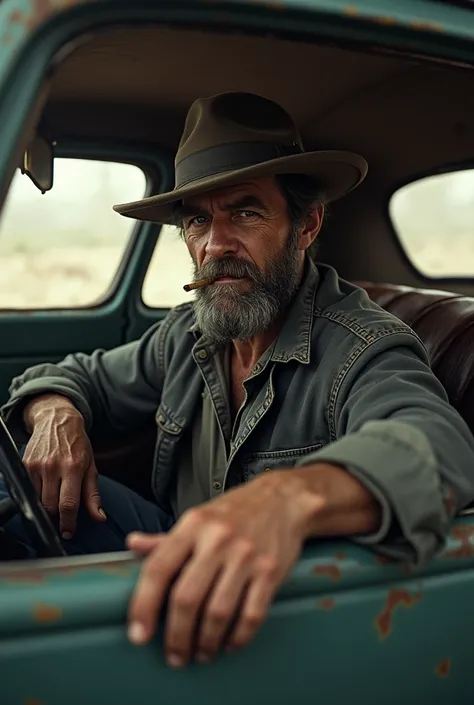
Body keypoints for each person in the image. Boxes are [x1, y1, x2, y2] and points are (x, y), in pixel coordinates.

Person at [1, 91, 474, 668]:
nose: (216, 243)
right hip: (172, 541)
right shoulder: (190, 334)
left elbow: (434, 444)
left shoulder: (362, 347)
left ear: (306, 225)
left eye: (245, 211)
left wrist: (283, 502)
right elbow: (79, 376)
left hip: (284, 611)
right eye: (198, 219)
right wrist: (55, 412)